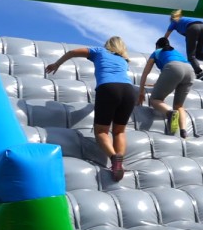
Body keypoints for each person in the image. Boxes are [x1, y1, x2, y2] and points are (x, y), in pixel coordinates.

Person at [45, 36, 135, 181]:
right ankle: (120, 163)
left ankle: (114, 158)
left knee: (101, 132)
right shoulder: (124, 60)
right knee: (119, 131)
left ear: (108, 45)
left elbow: (73, 52)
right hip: (129, 91)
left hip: (108, 88)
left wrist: (57, 64)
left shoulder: (99, 51)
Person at [138, 37, 194, 138]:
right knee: (179, 105)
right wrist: (158, 84)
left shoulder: (156, 52)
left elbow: (145, 73)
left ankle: (169, 112)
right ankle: (184, 132)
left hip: (174, 69)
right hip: (190, 71)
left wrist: (141, 91)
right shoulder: (176, 52)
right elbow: (173, 71)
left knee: (155, 99)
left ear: (157, 46)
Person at [164, 9, 203, 80]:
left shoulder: (174, 21)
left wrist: (163, 46)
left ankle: (199, 73)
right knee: (199, 54)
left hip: (192, 28)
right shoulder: (185, 20)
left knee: (191, 56)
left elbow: (166, 37)